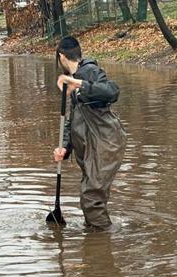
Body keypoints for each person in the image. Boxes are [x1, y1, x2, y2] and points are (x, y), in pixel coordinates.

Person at [51, 36, 127, 231]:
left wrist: (80, 84)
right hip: (90, 147)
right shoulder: (74, 78)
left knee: (91, 198)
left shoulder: (89, 71)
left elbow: (112, 92)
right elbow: (72, 119)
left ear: (61, 56)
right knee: (91, 196)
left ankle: (102, 242)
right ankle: (94, 236)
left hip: (105, 144)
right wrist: (64, 148)